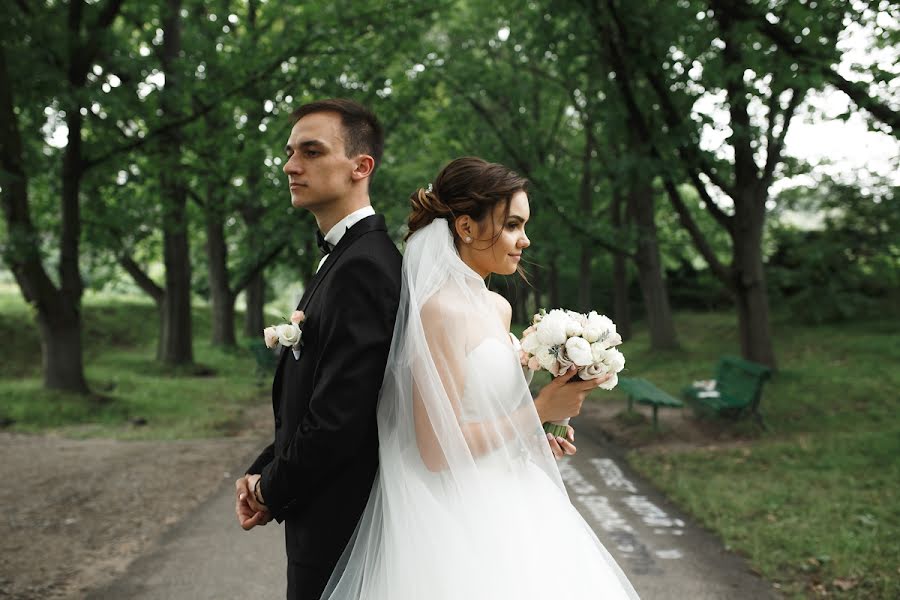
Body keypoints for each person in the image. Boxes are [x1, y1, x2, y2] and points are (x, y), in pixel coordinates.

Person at [319, 157, 639, 599]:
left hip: (516, 494)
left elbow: (485, 411)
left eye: (523, 226)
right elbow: (435, 449)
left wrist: (535, 432)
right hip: (462, 513)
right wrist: (539, 409)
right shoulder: (440, 313)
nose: (524, 239)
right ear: (466, 227)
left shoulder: (498, 308)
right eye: (511, 225)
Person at [234, 98, 402, 599]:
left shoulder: (365, 267)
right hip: (323, 516)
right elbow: (318, 394)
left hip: (341, 528)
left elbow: (340, 418)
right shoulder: (346, 259)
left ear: (360, 166)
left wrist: (271, 489)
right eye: (289, 152)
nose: (290, 165)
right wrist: (263, 468)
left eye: (310, 151)